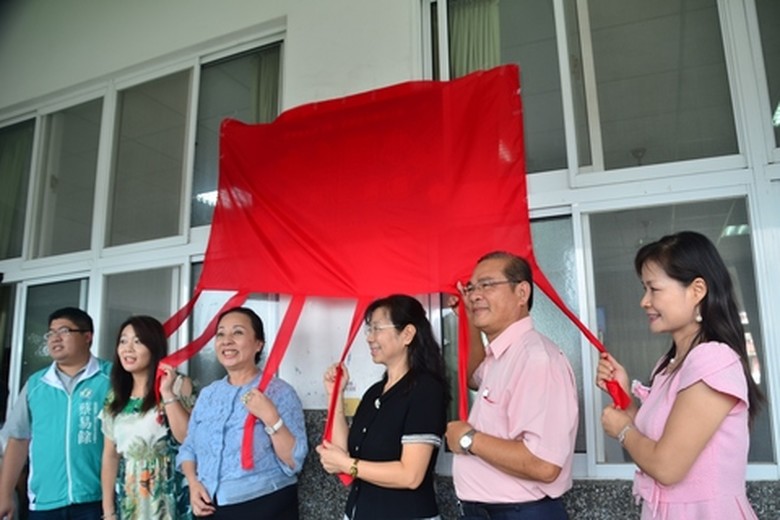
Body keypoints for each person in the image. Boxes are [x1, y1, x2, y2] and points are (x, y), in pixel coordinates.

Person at [596, 231, 763, 519]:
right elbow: (659, 439)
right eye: (644, 289)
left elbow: (667, 466)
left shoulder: (713, 360)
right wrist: (626, 400)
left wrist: (622, 430)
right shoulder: (670, 364)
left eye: (654, 289)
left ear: (697, 290)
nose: (644, 301)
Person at [445, 251, 578, 520]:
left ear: (522, 293)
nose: (474, 294)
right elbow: (472, 377)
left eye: (487, 285)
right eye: (471, 288)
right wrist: (467, 319)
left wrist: (468, 439)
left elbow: (543, 464)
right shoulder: (502, 355)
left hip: (521, 513)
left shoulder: (537, 360)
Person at [317, 294, 449, 520]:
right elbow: (343, 453)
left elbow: (411, 475)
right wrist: (335, 395)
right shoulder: (374, 392)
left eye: (377, 328)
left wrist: (348, 465)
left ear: (407, 334)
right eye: (369, 330)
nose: (370, 338)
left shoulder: (426, 391)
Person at [177, 306, 307, 519]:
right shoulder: (209, 394)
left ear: (258, 344)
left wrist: (270, 416)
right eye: (220, 333)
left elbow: (294, 461)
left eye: (237, 332)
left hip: (263, 506)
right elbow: (189, 447)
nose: (226, 340)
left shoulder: (280, 392)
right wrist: (193, 484)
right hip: (209, 506)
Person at [0, 307, 111, 519]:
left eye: (64, 331)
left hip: (97, 499)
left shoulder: (110, 378)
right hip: (45, 501)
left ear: (87, 337)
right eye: (50, 333)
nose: (54, 339)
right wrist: (4, 494)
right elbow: (18, 440)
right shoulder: (36, 385)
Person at [100, 315, 195, 519]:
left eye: (138, 341)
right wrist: (108, 512)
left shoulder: (178, 385)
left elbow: (187, 438)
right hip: (131, 495)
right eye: (123, 341)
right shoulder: (114, 398)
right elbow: (110, 456)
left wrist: (167, 393)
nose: (128, 348)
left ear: (154, 347)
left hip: (170, 490)